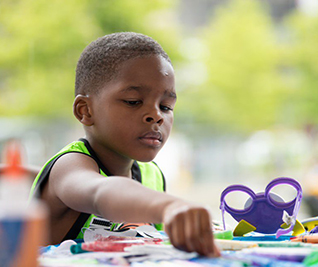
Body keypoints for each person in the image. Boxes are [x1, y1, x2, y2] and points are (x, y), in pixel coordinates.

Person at [29, 32, 220, 257]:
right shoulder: (69, 166)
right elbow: (100, 192)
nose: (156, 115)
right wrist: (169, 206)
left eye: (166, 106)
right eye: (133, 102)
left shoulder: (153, 177)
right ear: (85, 110)